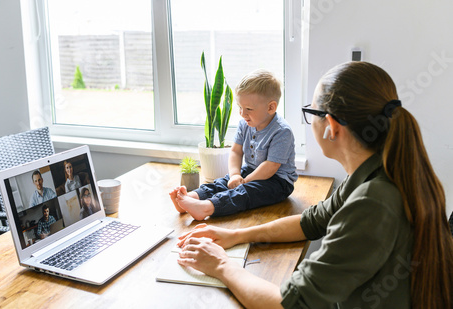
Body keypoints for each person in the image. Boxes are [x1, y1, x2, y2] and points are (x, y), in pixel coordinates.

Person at [176, 62, 453, 308]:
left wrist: (222, 265)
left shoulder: (373, 201)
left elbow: (288, 304)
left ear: (331, 126)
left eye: (311, 112)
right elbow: (309, 222)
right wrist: (236, 236)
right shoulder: (374, 173)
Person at [170, 69, 297, 220]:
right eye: (240, 107)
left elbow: (270, 167)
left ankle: (207, 208)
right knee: (224, 181)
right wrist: (235, 175)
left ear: (271, 107)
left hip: (278, 182)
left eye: (249, 109)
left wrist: (244, 181)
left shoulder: (282, 131)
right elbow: (236, 151)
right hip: (251, 171)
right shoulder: (245, 123)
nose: (242, 114)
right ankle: (193, 197)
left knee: (244, 192)